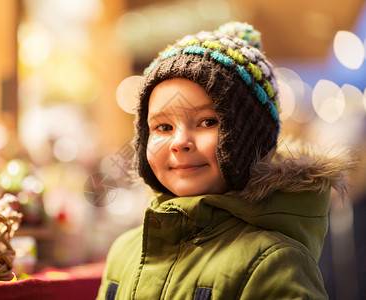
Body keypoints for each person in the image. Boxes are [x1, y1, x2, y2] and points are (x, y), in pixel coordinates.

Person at [97, 21, 353, 300]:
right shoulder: (125, 252)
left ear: (250, 136)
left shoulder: (273, 262)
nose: (180, 142)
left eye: (207, 121)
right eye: (163, 127)